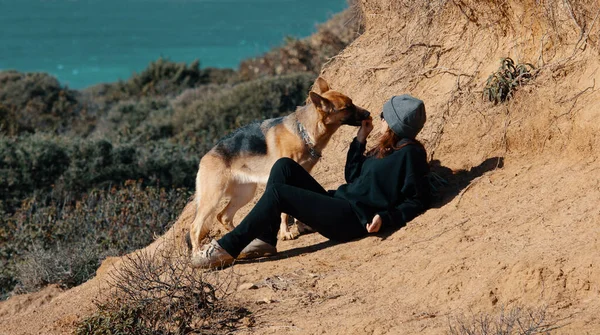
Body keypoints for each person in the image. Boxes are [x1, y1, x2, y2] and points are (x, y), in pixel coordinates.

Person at [191, 94, 431, 269]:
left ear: (395, 123)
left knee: (279, 194)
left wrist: (386, 218)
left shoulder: (411, 155)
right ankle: (265, 238)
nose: (379, 118)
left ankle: (226, 248)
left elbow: (417, 199)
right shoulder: (384, 147)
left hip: (352, 219)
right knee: (283, 167)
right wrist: (360, 140)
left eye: (384, 116)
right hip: (338, 202)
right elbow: (353, 176)